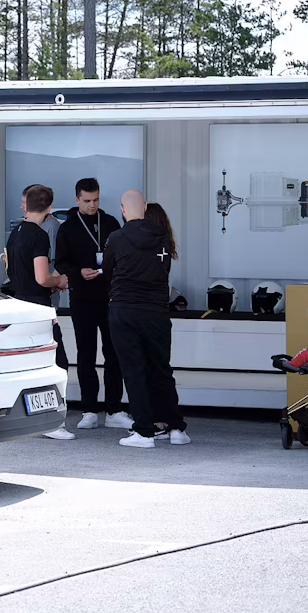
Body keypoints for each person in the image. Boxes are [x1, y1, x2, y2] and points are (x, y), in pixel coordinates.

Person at [104, 192, 188, 449]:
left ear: (122, 209)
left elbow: (107, 272)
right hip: (157, 313)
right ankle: (176, 429)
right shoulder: (162, 238)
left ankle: (144, 432)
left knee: (134, 371)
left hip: (125, 311)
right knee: (162, 370)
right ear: (145, 207)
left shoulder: (116, 238)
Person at [54, 178, 130, 431]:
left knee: (114, 354)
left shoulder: (109, 223)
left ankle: (114, 409)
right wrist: (78, 273)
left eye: (96, 200)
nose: (92, 205)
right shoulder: (68, 228)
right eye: (87, 201)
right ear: (77, 200)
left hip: (110, 297)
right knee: (85, 355)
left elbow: (122, 256)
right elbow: (61, 263)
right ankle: (89, 410)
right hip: (82, 298)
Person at [6, 185, 73, 441]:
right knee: (58, 362)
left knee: (27, 365)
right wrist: (60, 280)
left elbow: (14, 271)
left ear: (27, 205)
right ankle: (53, 422)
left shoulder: (15, 233)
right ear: (47, 209)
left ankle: (27, 419)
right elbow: (42, 277)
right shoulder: (40, 236)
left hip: (18, 303)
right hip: (39, 307)